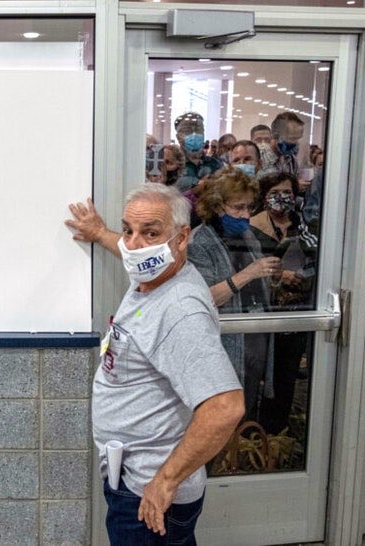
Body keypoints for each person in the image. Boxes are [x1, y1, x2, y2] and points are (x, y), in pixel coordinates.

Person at [78, 183, 244, 542]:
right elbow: (133, 252)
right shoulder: (152, 273)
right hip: (134, 477)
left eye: (150, 233)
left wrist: (165, 482)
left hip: (148, 493)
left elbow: (225, 407)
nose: (134, 244)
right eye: (128, 230)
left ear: (181, 239)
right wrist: (100, 233)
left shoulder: (180, 311)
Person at [188, 168, 279, 418]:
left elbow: (257, 281)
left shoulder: (246, 235)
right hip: (223, 338)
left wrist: (271, 277)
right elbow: (206, 298)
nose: (246, 215)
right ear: (217, 206)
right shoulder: (199, 242)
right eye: (238, 207)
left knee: (248, 405)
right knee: (222, 411)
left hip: (253, 332)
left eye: (249, 207)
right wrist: (249, 273)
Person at [249, 172, 319, 436]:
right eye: (275, 193)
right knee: (254, 373)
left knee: (285, 374)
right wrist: (278, 275)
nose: (282, 198)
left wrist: (301, 277)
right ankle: (247, 433)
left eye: (288, 192)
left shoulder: (303, 226)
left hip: (294, 312)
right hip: (258, 312)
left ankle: (276, 431)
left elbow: (317, 260)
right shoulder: (250, 227)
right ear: (264, 196)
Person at [174, 112, 223, 192]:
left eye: (199, 130)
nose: (194, 135)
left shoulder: (215, 164)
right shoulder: (173, 165)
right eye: (187, 131)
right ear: (178, 137)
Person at [259, 112, 306, 177]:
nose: (296, 143)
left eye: (298, 138)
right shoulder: (258, 155)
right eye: (292, 138)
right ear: (275, 135)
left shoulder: (291, 159)